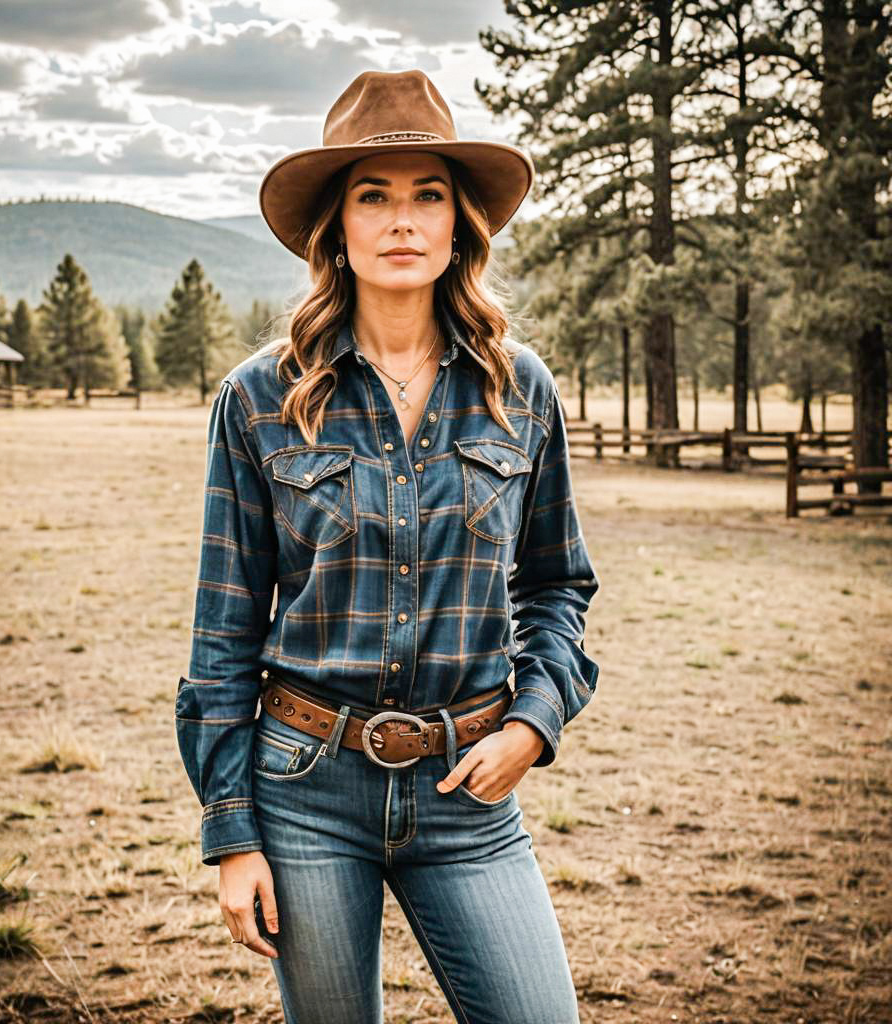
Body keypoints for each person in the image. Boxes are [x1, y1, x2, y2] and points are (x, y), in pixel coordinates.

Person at [174, 68, 600, 1024]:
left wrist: (533, 721)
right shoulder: (259, 400)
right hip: (305, 788)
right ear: (338, 225)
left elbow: (558, 584)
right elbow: (224, 631)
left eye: (428, 196)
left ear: (459, 228)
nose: (402, 220)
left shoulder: (519, 390)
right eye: (374, 195)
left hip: (470, 791)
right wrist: (231, 829)